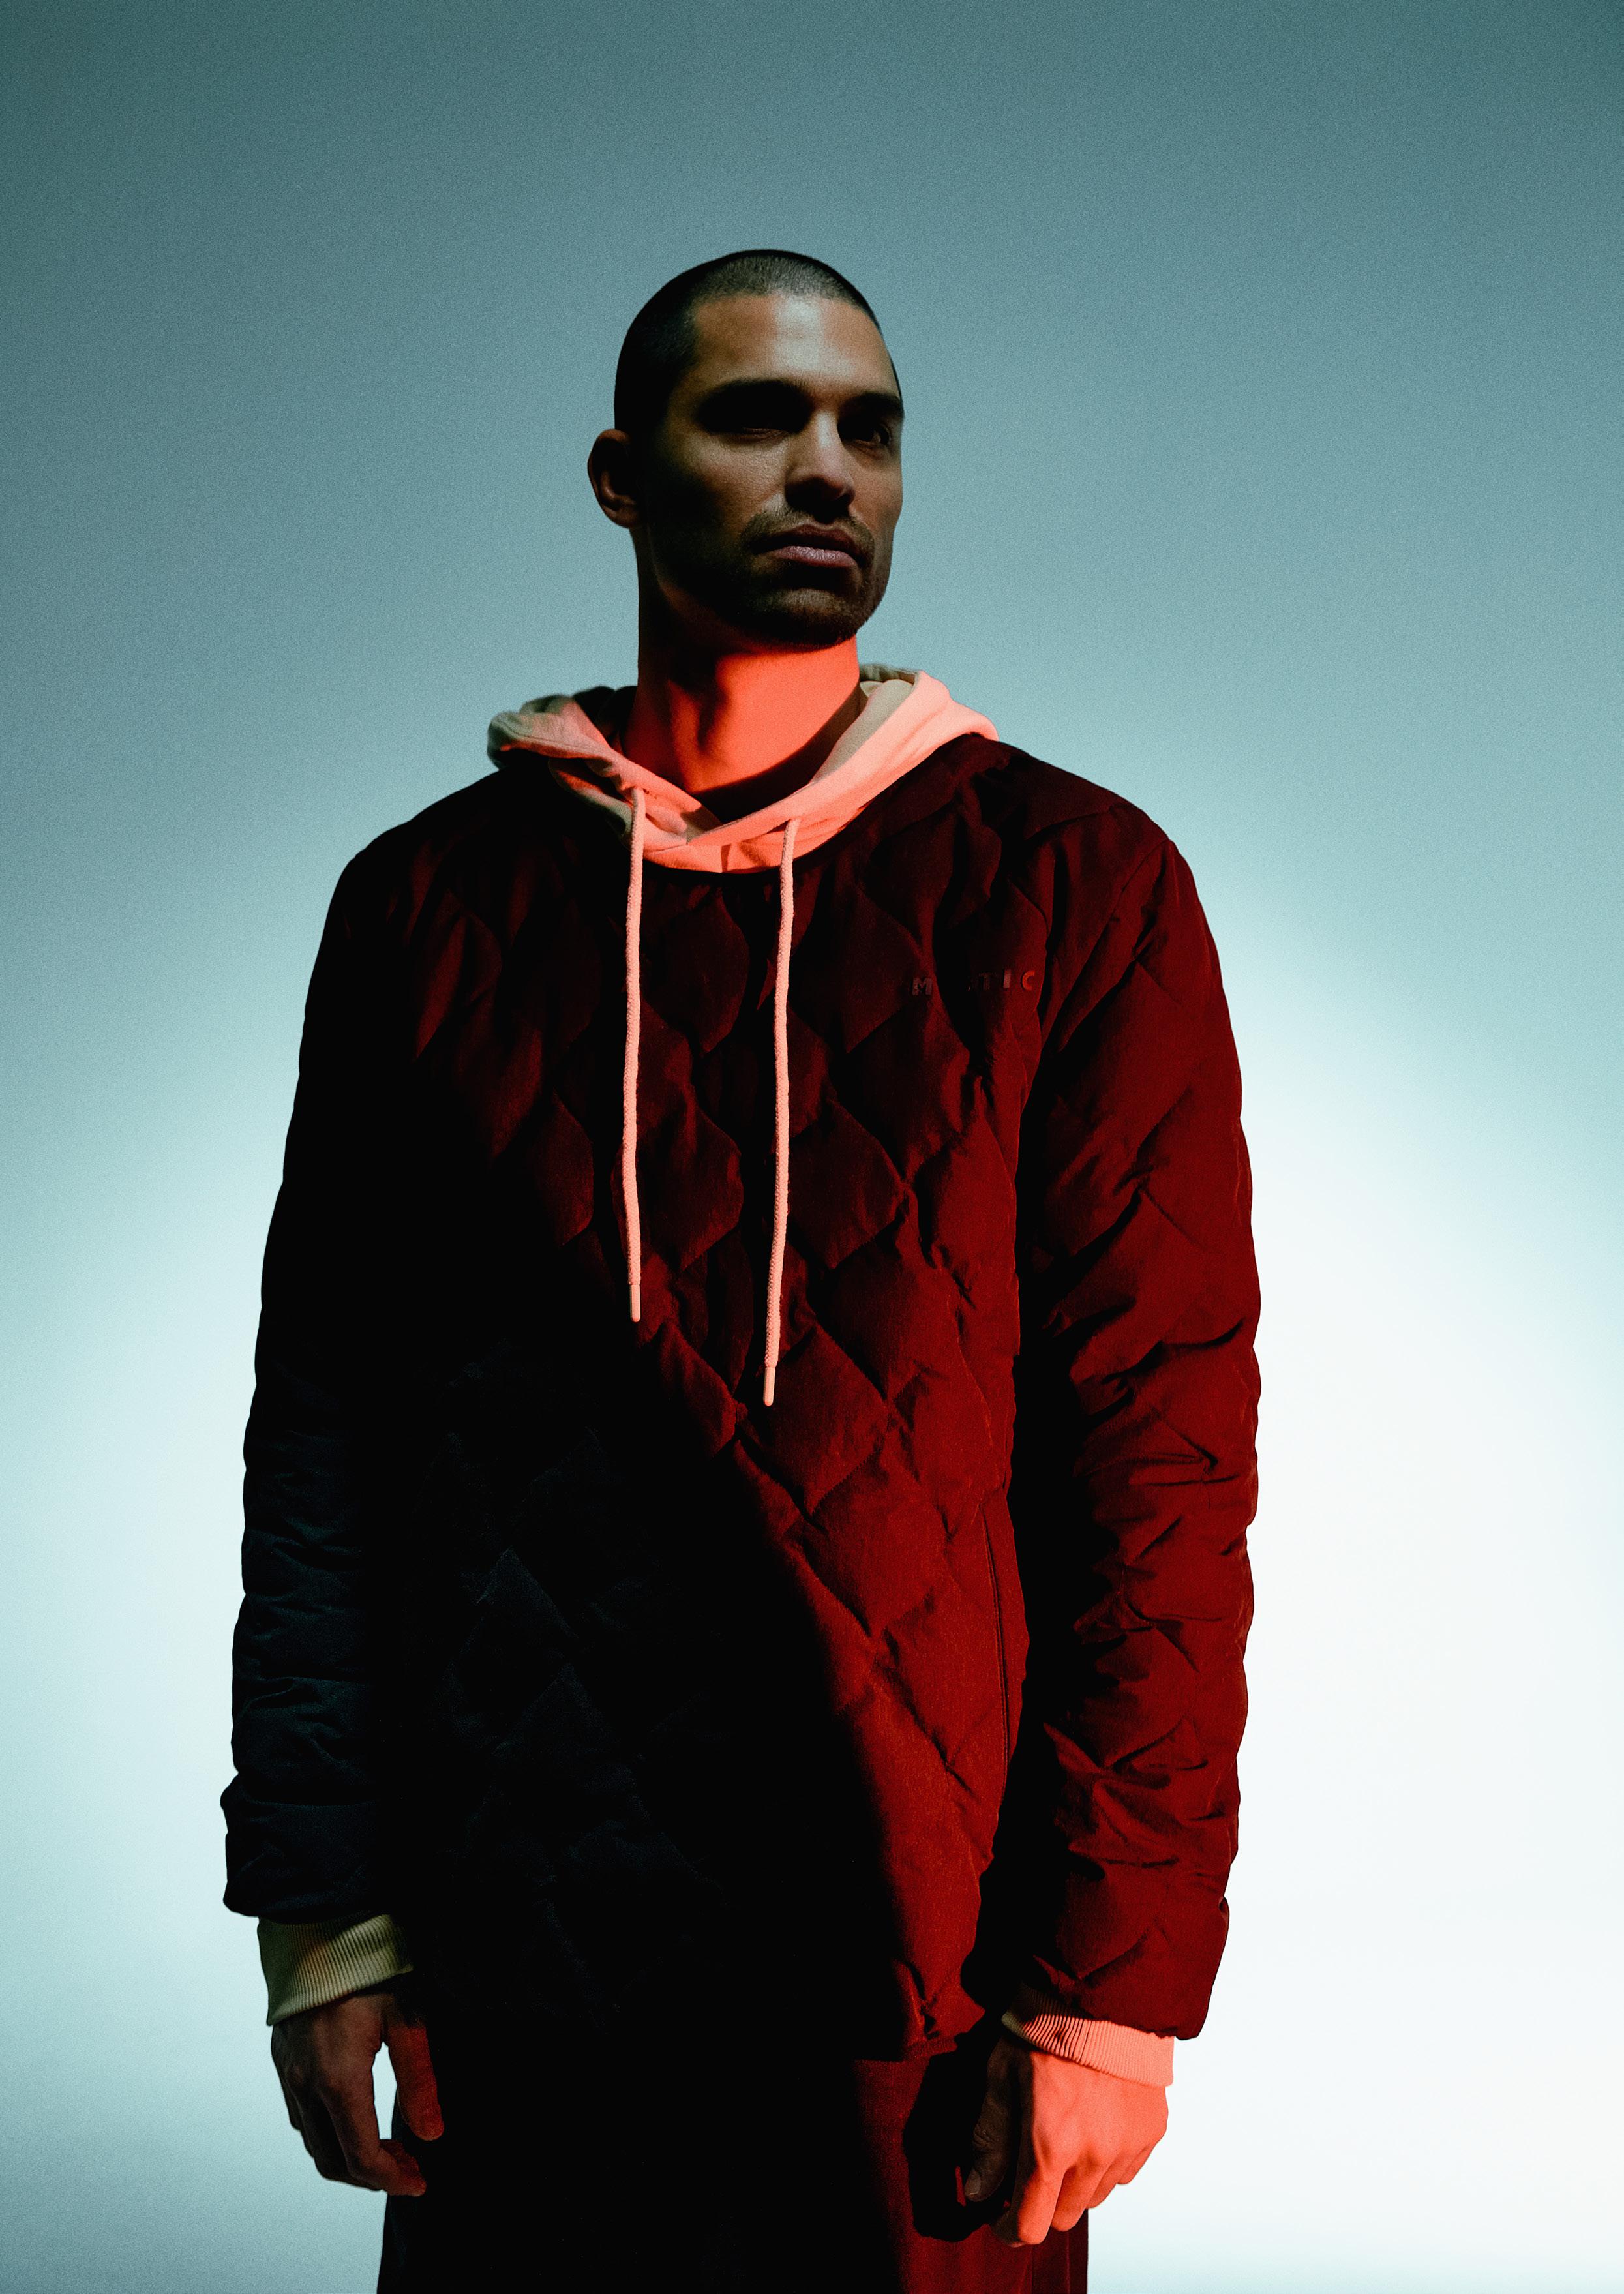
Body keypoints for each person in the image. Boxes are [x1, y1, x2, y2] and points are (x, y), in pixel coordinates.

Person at [223, 248, 1259, 2294]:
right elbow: (327, 1451)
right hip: (519, 1978)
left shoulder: (1078, 885)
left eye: (869, 428)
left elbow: (1161, 1471)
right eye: (756, 416)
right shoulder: (424, 908)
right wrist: (327, 1926)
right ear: (621, 475)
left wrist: (1107, 1992)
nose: (826, 469)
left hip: (921, 1985)